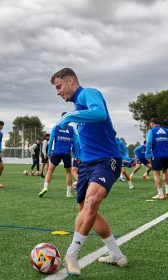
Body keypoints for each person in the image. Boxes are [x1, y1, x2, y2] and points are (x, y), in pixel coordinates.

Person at [50, 68, 127, 276]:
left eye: (59, 86)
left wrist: (70, 117)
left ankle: (71, 254)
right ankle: (116, 255)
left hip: (107, 160)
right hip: (86, 164)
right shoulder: (77, 105)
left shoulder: (87, 93)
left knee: (92, 202)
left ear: (70, 80)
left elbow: (100, 113)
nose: (57, 92)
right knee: (85, 210)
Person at [38, 113, 80, 198]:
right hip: (67, 154)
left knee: (50, 171)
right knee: (68, 173)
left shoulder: (56, 127)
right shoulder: (72, 129)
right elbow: (76, 143)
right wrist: (76, 154)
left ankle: (45, 188)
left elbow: (51, 141)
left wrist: (49, 153)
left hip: (56, 152)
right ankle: (68, 193)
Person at [145, 118, 168, 200]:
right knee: (165, 171)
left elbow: (148, 142)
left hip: (157, 155)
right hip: (166, 155)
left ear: (152, 124)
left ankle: (160, 194)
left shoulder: (151, 131)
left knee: (156, 173)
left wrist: (147, 153)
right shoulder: (166, 130)